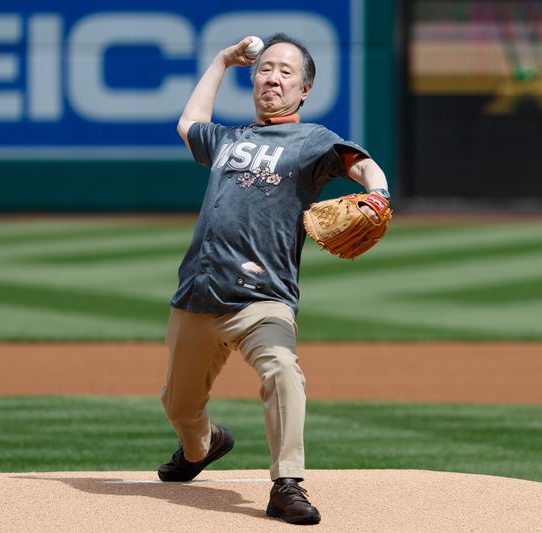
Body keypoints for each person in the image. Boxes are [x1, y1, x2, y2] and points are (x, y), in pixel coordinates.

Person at [156, 33, 391, 526]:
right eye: (265, 68)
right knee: (179, 407)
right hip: (198, 293)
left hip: (264, 299)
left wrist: (378, 194)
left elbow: (361, 164)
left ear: (303, 90)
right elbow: (189, 124)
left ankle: (288, 484)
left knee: (283, 371)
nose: (273, 77)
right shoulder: (229, 139)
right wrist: (222, 60)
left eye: (286, 71)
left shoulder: (313, 140)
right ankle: (201, 447)